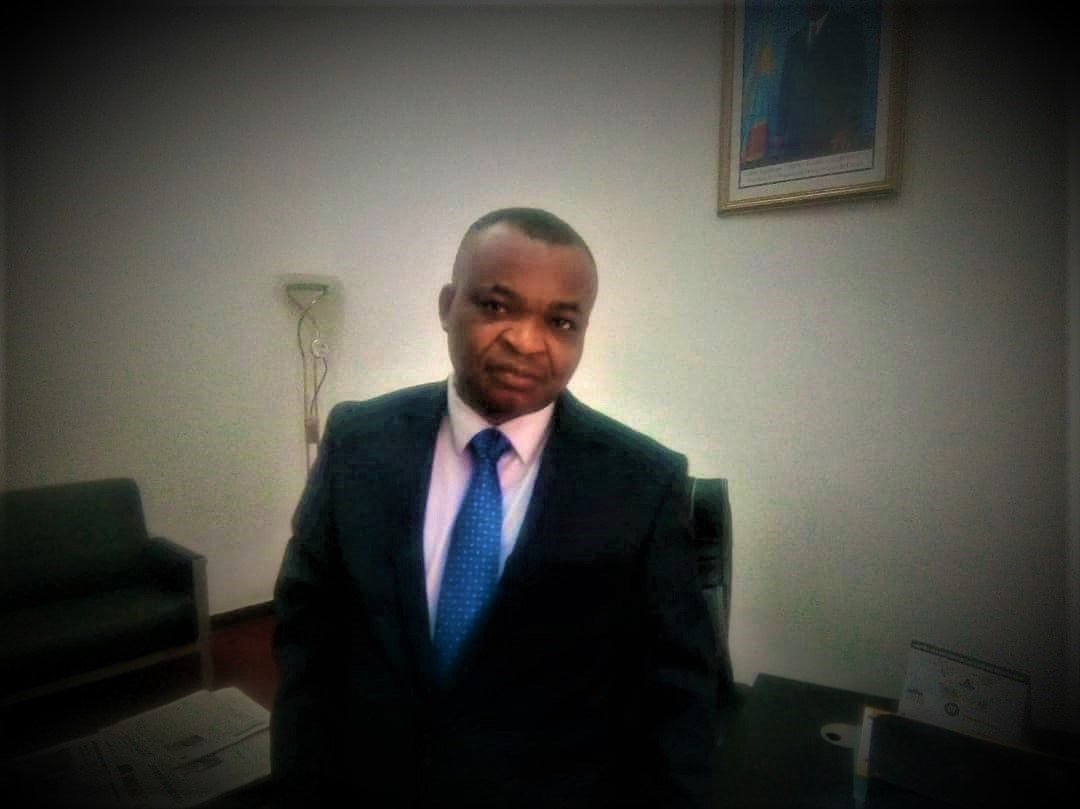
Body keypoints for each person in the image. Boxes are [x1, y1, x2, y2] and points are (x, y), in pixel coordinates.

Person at [270, 207, 719, 809]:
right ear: (447, 305)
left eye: (561, 321)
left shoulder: (643, 483)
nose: (526, 341)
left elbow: (678, 692)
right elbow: (307, 631)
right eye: (496, 306)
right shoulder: (358, 440)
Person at [776, 0, 868, 160]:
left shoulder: (847, 27)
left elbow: (856, 79)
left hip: (833, 131)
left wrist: (848, 125)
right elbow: (787, 89)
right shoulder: (795, 41)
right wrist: (781, 131)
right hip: (798, 135)